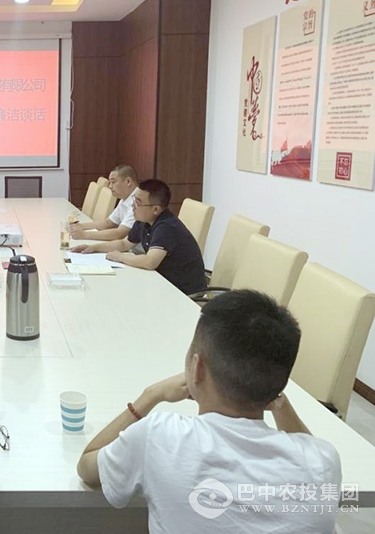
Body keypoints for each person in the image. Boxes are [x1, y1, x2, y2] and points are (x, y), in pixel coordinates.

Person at [76, 290, 341, 534]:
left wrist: (150, 396)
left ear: (197, 367)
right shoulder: (324, 461)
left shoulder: (159, 437)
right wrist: (274, 397)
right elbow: (308, 449)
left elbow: (87, 466)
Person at [71, 179, 205, 295]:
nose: (133, 206)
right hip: (160, 282)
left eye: (138, 203)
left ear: (156, 209)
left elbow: (150, 262)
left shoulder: (166, 227)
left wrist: (120, 257)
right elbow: (124, 244)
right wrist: (93, 248)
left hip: (182, 292)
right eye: (134, 200)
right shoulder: (144, 220)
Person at [70, 165, 138, 241]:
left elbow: (119, 233)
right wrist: (80, 226)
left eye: (113, 182)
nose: (110, 186)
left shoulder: (138, 201)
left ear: (128, 182)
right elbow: (109, 222)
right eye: (110, 183)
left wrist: (84, 234)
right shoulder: (125, 198)